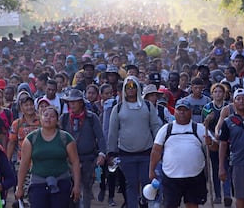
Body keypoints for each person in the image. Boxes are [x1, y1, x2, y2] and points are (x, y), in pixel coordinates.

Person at [107, 76, 160, 208]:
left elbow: (155, 127)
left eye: (133, 86)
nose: (131, 89)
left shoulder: (147, 106)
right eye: (128, 87)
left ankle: (145, 205)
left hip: (147, 153)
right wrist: (111, 153)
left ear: (138, 88)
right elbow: (112, 132)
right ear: (124, 89)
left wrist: (160, 147)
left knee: (146, 183)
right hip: (126, 154)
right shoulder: (118, 109)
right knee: (131, 184)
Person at [15, 106, 81, 207]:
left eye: (52, 116)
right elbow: (24, 164)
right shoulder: (30, 139)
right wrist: (19, 187)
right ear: (40, 118)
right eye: (45, 115)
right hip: (38, 184)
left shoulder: (66, 138)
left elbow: (75, 162)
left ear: (57, 120)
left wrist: (76, 186)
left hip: (61, 183)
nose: (48, 118)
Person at [149, 98, 209, 208]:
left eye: (185, 110)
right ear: (174, 112)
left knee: (193, 205)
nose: (182, 112)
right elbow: (156, 151)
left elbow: (213, 148)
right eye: (179, 110)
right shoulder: (166, 129)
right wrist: (151, 170)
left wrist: (211, 142)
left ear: (190, 112)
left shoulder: (199, 128)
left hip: (194, 177)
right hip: (171, 177)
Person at [60, 89, 107, 208]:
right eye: (70, 102)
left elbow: (100, 137)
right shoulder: (64, 118)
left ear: (81, 102)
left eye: (75, 102)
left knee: (86, 189)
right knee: (68, 189)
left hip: (88, 160)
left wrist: (102, 153)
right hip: (68, 161)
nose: (72, 104)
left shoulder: (92, 118)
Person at [6, 93, 40, 207]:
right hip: (23, 164)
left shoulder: (42, 121)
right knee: (23, 193)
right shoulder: (17, 124)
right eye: (26, 105)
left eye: (31, 104)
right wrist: (7, 160)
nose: (29, 107)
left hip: (40, 163)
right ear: (21, 108)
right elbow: (11, 142)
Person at [202, 83, 232, 207]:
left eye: (220, 92)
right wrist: (207, 120)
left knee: (225, 167)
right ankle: (217, 195)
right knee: (215, 168)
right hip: (213, 142)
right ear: (212, 93)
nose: (218, 94)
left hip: (226, 142)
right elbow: (203, 126)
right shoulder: (208, 107)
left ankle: (227, 194)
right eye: (215, 92)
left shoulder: (229, 107)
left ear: (224, 94)